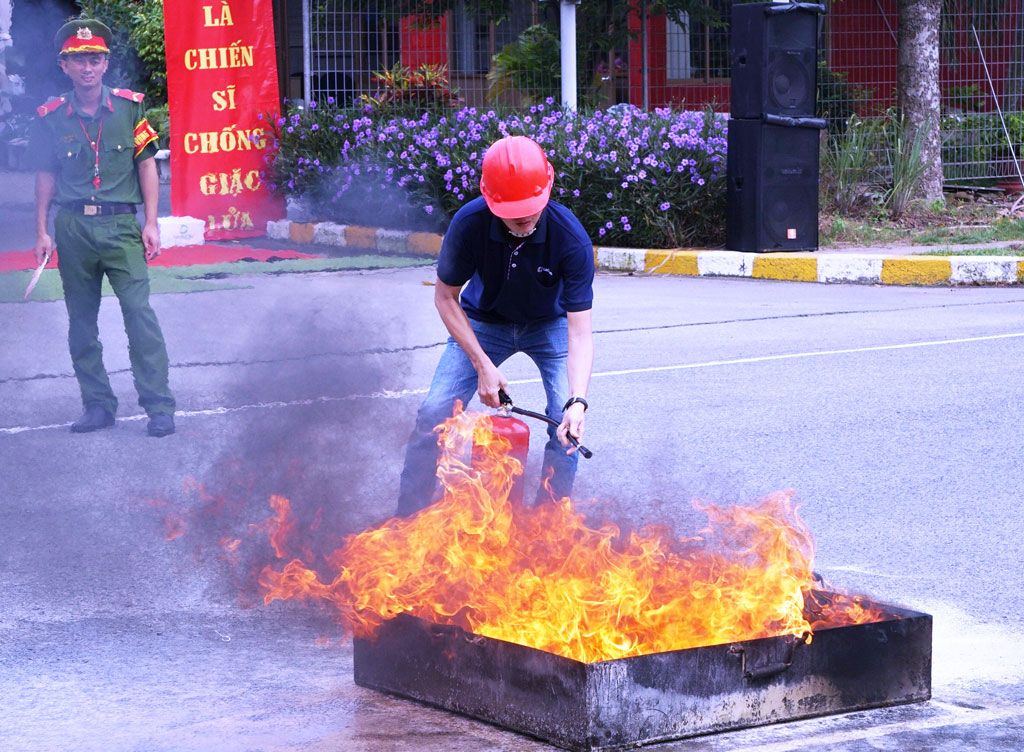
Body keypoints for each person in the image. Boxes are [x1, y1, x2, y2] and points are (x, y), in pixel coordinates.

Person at [397, 135, 594, 516]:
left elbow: (580, 332)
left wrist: (578, 401)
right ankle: (408, 518)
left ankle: (548, 525)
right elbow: (445, 298)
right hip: (483, 324)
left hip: (547, 325)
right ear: (489, 198)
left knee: (564, 420)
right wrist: (482, 364)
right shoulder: (469, 224)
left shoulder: (571, 239)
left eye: (532, 209)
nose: (524, 218)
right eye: (513, 210)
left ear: (548, 187)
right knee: (434, 410)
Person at [28, 19, 175, 437]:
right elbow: (44, 175)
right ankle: (97, 405)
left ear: (106, 63)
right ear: (64, 65)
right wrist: (41, 231)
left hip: (121, 228)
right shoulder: (50, 117)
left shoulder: (130, 107)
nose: (87, 68)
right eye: (78, 60)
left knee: (140, 316)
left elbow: (146, 165)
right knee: (81, 323)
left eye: (94, 59)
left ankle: (159, 406)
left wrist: (151, 222)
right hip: (73, 228)